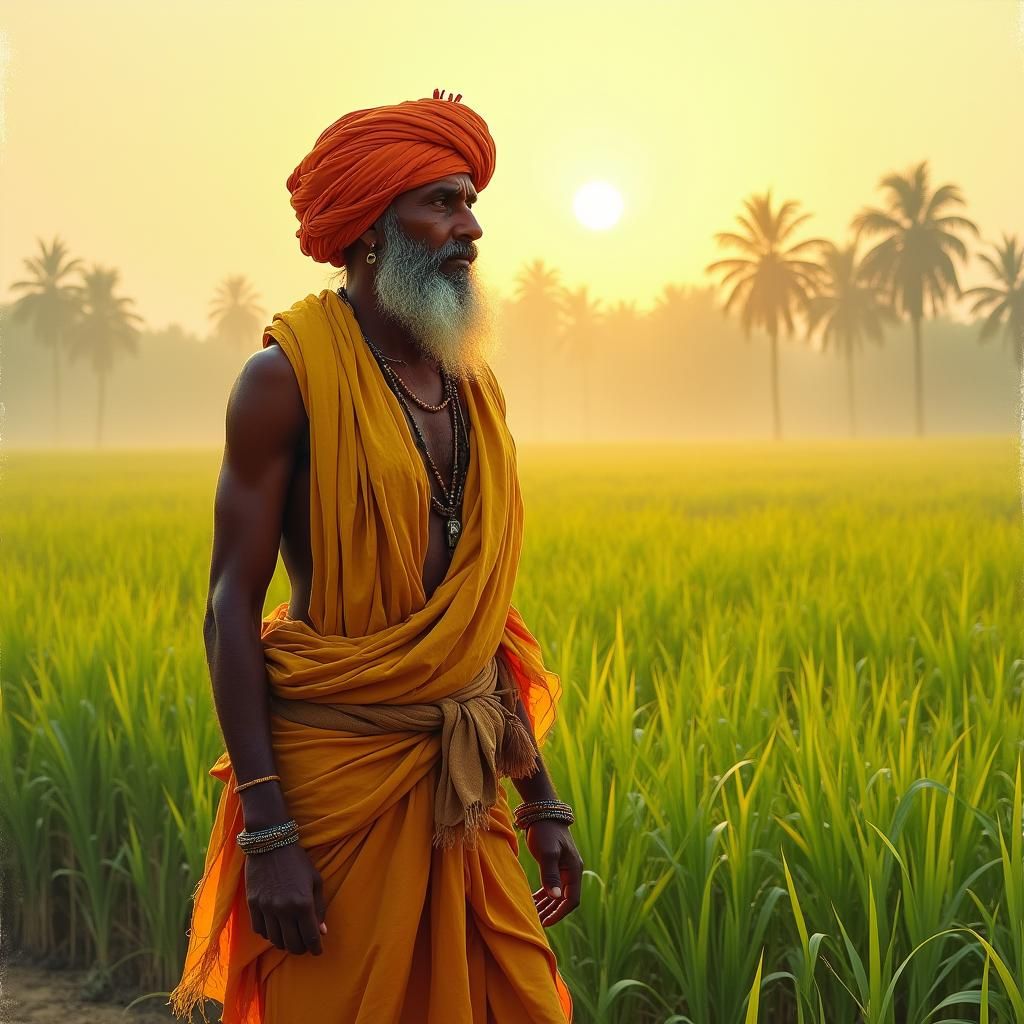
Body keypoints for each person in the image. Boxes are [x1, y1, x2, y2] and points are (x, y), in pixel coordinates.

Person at [168, 89, 580, 1023]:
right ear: (368, 230)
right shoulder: (283, 381)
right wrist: (268, 830)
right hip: (335, 794)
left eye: (471, 201)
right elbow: (230, 606)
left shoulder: (474, 388)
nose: (469, 228)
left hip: (464, 791)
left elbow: (476, 628)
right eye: (441, 202)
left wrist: (542, 801)